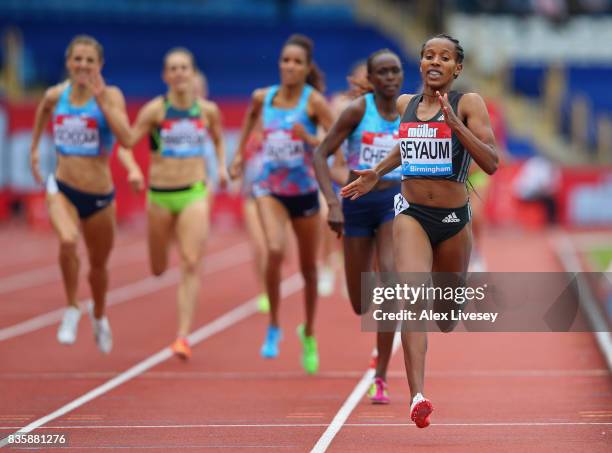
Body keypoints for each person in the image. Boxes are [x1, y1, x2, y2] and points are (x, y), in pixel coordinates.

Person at [341, 34, 499, 427]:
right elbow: (405, 146)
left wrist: (455, 124)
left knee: (445, 315)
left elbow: (492, 161)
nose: (435, 62)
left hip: (452, 221)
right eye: (429, 55)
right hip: (411, 213)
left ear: (456, 68)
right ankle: (417, 396)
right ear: (421, 63)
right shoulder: (404, 105)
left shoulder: (470, 103)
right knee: (412, 295)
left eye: (444, 58)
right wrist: (376, 172)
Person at [29, 35, 140, 353]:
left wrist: (102, 99)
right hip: (62, 188)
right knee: (66, 241)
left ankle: (100, 314)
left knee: (98, 267)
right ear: (68, 62)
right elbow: (42, 111)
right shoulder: (55, 95)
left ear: (99, 65)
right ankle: (72, 307)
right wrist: (35, 149)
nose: (83, 65)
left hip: (99, 196)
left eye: (90, 60)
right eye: (77, 59)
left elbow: (128, 138)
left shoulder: (111, 95)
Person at [231, 34, 334, 374]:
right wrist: (238, 158)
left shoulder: (314, 102)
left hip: (304, 192)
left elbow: (336, 140)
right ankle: (274, 324)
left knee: (308, 270)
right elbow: (248, 121)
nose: (289, 66)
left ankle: (310, 332)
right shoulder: (264, 97)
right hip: (269, 189)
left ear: (306, 68)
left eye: (296, 62)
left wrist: (312, 139)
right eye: (285, 60)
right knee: (274, 250)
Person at [118, 47, 228, 360]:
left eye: (185, 68)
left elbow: (219, 141)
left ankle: (183, 336)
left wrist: (220, 167)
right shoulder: (155, 110)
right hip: (160, 195)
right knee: (157, 268)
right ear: (166, 76)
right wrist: (134, 169)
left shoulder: (207, 111)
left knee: (192, 261)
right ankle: (160, 255)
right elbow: (126, 146)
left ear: (193, 74)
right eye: (173, 68)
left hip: (193, 191)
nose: (180, 73)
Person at [315, 49, 404, 404]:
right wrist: (333, 202)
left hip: (392, 201)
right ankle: (378, 352)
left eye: (395, 71)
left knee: (390, 282)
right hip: (355, 203)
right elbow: (320, 154)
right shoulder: (357, 111)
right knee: (360, 300)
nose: (390, 78)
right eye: (382, 72)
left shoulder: (409, 111)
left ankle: (380, 374)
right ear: (370, 77)